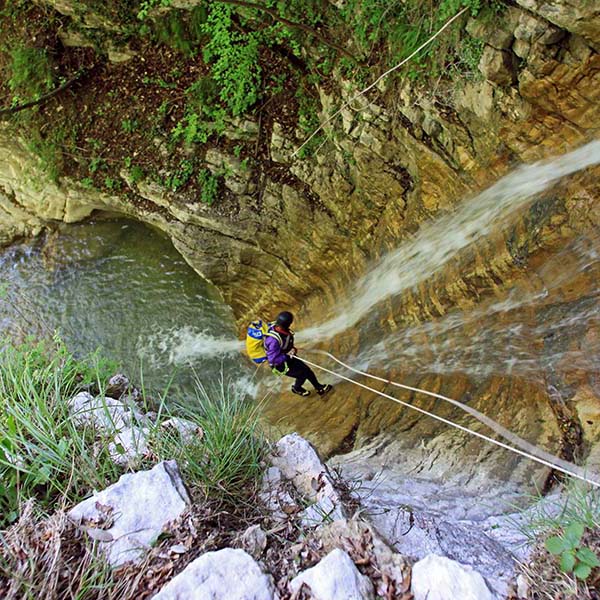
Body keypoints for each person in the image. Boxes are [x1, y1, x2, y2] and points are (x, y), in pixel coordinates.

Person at [264, 311, 332, 397]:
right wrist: (288, 355)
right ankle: (297, 388)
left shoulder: (278, 327)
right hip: (281, 364)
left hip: (289, 357)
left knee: (307, 370)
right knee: (302, 374)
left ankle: (319, 387)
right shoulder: (273, 341)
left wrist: (290, 351)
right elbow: (273, 359)